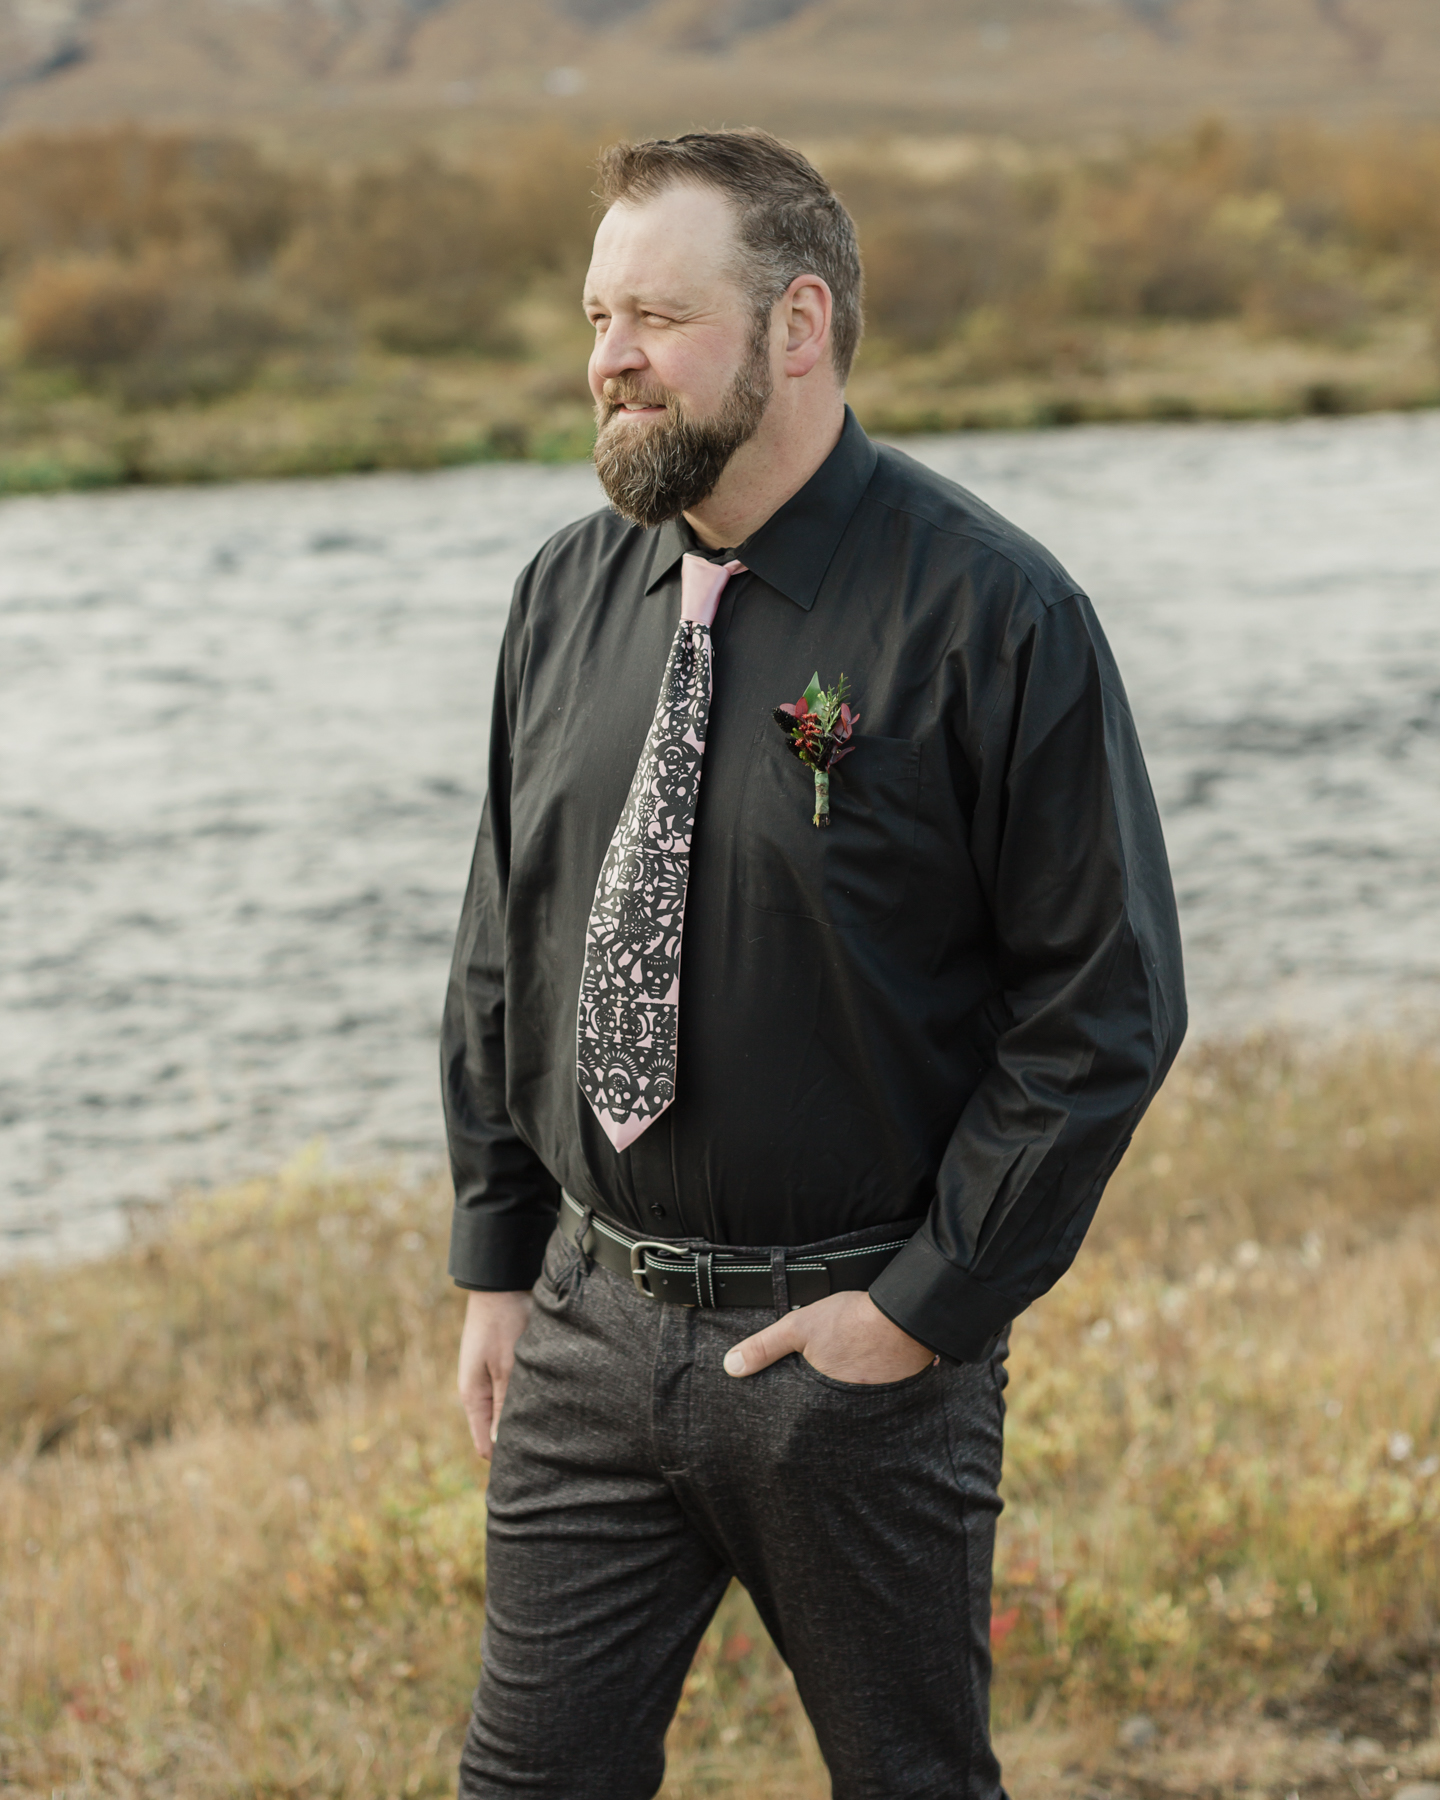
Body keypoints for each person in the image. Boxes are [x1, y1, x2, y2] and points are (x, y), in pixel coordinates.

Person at [440, 128, 1186, 1800]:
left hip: (848, 1356)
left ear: (796, 325)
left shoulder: (995, 613)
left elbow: (1105, 1009)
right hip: (586, 1327)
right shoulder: (566, 594)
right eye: (594, 313)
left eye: (656, 315)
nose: (607, 359)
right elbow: (508, 938)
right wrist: (499, 1257)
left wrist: (920, 1313)